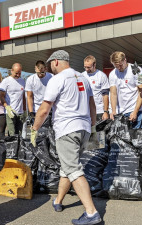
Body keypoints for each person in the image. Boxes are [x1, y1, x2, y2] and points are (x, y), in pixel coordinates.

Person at [31, 50, 101, 225]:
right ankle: (58, 201)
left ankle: (91, 213)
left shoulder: (58, 79)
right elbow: (92, 104)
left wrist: (34, 129)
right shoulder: (83, 77)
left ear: (56, 62)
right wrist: (92, 127)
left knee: (73, 169)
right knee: (67, 167)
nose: (49, 68)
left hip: (67, 130)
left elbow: (45, 109)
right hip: (84, 129)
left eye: (50, 65)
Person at [109, 51, 142, 129]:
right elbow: (113, 93)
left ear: (125, 60)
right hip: (121, 111)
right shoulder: (112, 74)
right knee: (123, 138)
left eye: (120, 65)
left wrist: (135, 112)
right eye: (116, 66)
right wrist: (113, 111)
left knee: (136, 138)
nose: (119, 68)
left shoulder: (136, 70)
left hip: (135, 109)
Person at [0, 63, 26, 136]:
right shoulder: (6, 81)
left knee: (19, 134)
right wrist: (6, 107)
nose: (18, 75)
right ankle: (12, 147)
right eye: (16, 73)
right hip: (10, 112)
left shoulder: (22, 81)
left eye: (20, 73)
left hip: (20, 112)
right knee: (12, 133)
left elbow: (23, 96)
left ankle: (19, 147)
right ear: (12, 71)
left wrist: (24, 110)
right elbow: (1, 96)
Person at [82, 55, 110, 121]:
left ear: (94, 65)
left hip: (99, 111)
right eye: (85, 67)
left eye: (88, 67)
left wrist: (106, 111)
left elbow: (105, 95)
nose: (86, 69)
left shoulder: (101, 76)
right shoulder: (81, 76)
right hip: (86, 111)